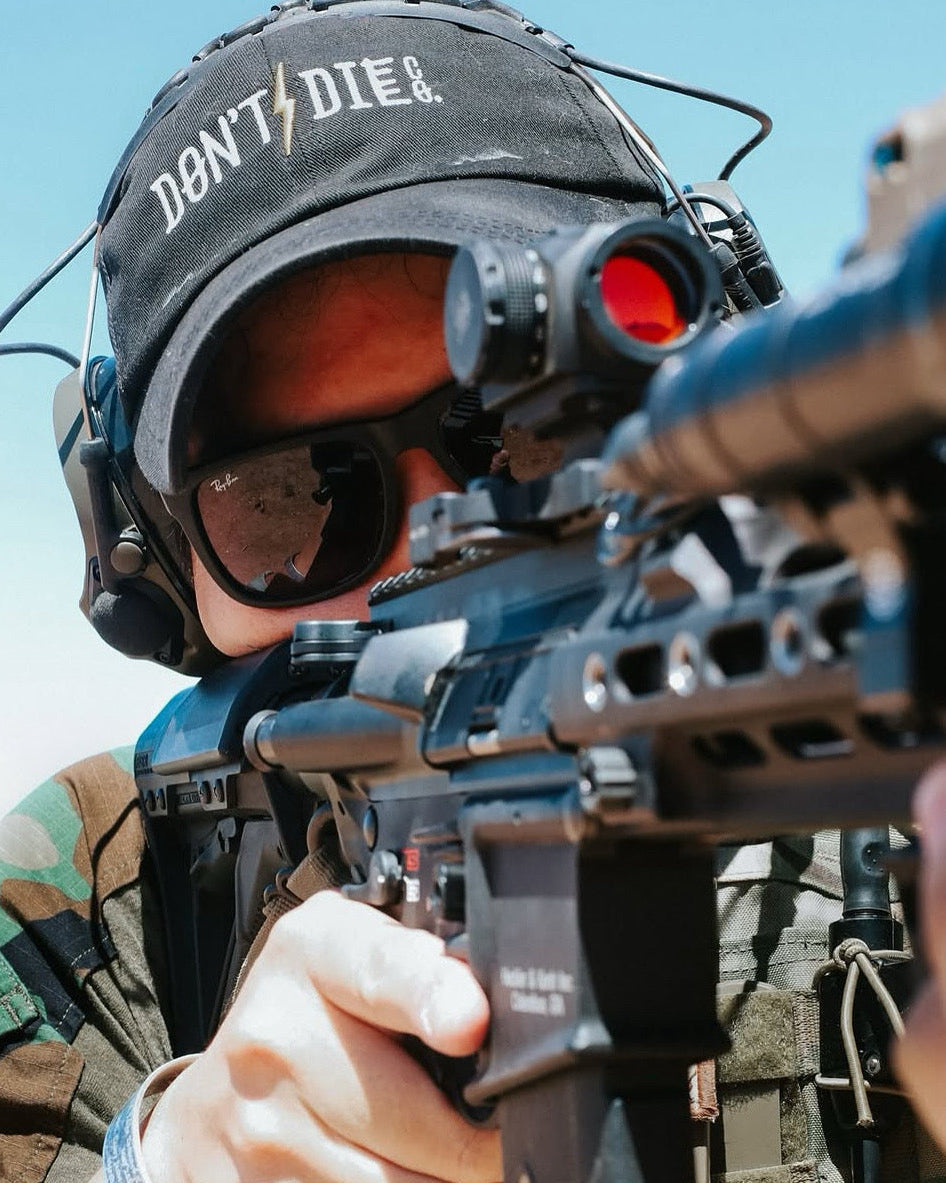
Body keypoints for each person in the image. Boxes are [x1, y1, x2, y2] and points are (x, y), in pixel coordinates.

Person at [1, 4, 945, 1183]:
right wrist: (163, 1162)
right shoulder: (84, 908)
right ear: (148, 554)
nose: (437, 545)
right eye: (291, 497)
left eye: (521, 435)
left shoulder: (882, 772)